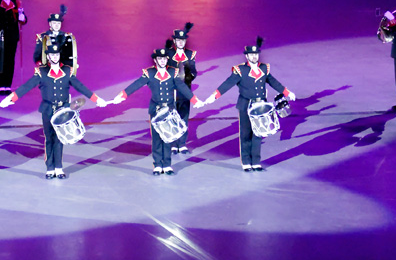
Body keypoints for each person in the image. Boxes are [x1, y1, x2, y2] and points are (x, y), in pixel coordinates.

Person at [0, 42, 105, 179]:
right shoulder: (42, 72)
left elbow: (80, 86)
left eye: (56, 54)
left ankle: (59, 168)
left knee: (60, 139)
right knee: (49, 139)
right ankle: (50, 168)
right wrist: (10, 98)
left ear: (59, 55)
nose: (54, 57)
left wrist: (96, 99)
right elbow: (27, 86)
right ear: (48, 56)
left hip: (62, 110)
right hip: (48, 110)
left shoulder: (67, 71)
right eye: (52, 54)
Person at [200, 37, 295, 172]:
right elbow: (228, 83)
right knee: (246, 134)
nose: (254, 57)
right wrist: (214, 96)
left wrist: (286, 92)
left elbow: (273, 82)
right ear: (247, 56)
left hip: (260, 105)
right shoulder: (241, 70)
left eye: (256, 54)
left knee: (258, 133)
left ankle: (255, 162)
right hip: (245, 105)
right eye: (251, 55)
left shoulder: (264, 68)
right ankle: (246, 162)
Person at [110, 41, 201, 175]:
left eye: (164, 59)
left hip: (169, 110)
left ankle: (167, 165)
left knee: (168, 137)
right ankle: (158, 164)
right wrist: (122, 95)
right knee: (157, 138)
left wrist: (194, 99)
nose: (163, 61)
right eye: (160, 59)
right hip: (156, 110)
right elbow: (137, 84)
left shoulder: (173, 72)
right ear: (155, 60)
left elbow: (181, 87)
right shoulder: (150, 73)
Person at [168, 22, 197, 155]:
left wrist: (189, 76)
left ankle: (182, 143)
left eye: (183, 40)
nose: (181, 43)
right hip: (171, 91)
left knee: (184, 116)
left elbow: (194, 72)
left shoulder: (190, 54)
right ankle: (173, 143)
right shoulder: (168, 54)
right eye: (178, 40)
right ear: (174, 41)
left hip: (184, 90)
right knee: (172, 117)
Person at [34, 4, 77, 72]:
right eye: (54, 23)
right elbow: (37, 55)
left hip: (63, 69)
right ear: (50, 24)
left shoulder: (66, 36)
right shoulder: (43, 37)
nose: (56, 26)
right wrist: (42, 66)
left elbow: (70, 54)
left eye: (58, 23)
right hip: (48, 69)